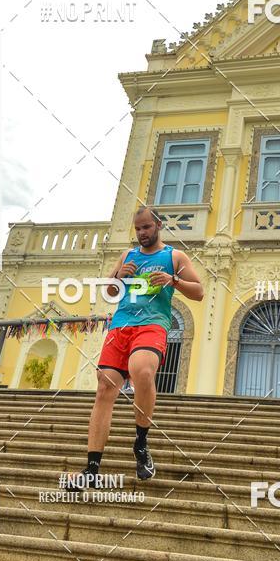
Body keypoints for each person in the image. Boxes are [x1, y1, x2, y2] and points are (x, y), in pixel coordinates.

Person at [67, 205, 204, 487]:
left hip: (153, 324)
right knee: (105, 386)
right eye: (138, 229)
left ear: (158, 226)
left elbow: (199, 292)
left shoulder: (174, 256)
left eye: (146, 228)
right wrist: (118, 277)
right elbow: (108, 291)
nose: (142, 233)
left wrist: (173, 280)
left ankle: (140, 444)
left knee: (141, 370)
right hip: (121, 325)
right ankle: (92, 470)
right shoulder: (127, 255)